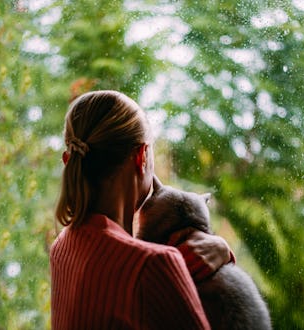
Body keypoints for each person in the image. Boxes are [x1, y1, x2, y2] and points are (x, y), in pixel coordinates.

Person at [50, 90, 232, 329]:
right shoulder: (153, 266)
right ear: (141, 157)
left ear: (69, 160)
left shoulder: (62, 248)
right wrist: (225, 253)